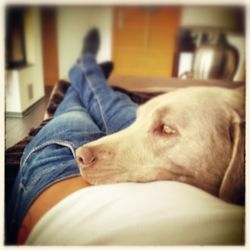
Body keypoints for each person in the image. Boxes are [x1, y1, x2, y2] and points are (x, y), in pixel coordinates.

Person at [6, 28, 138, 245]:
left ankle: (85, 69)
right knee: (109, 101)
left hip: (65, 169)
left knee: (74, 110)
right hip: (146, 147)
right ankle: (88, 70)